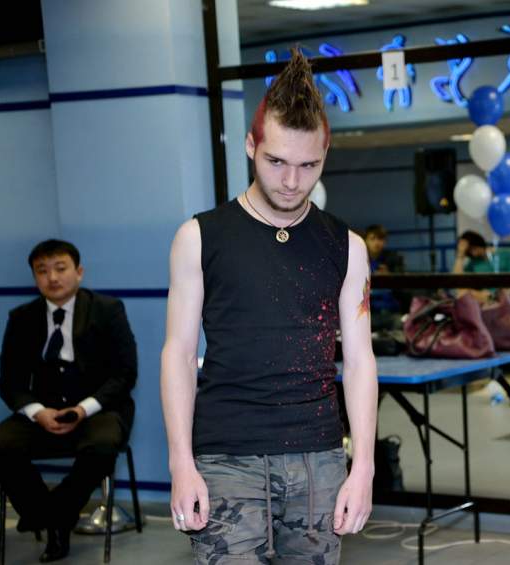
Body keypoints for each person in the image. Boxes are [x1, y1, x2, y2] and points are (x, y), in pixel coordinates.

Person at [160, 48, 377, 565]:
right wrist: (180, 462)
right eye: (276, 161)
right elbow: (179, 353)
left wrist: (364, 467)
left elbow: (359, 361)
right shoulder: (199, 237)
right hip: (224, 454)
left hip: (319, 456)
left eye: (308, 165)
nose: (291, 181)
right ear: (250, 145)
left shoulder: (346, 246)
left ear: (325, 155)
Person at [0, 239, 137, 563]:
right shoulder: (22, 317)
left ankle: (53, 516)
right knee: (2, 444)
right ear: (35, 277)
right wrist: (38, 412)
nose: (52, 278)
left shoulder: (107, 309)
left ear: (79, 272)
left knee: (103, 446)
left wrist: (82, 409)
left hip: (97, 410)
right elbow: (10, 381)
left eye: (60, 268)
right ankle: (49, 516)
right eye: (42, 271)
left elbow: (125, 374)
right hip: (43, 412)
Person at [452, 230, 510, 304]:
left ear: (477, 242)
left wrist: (494, 296)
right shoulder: (473, 263)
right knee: (462, 292)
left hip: (504, 297)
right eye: (468, 251)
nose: (472, 253)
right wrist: (460, 254)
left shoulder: (506, 254)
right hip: (484, 300)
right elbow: (458, 282)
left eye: (473, 248)